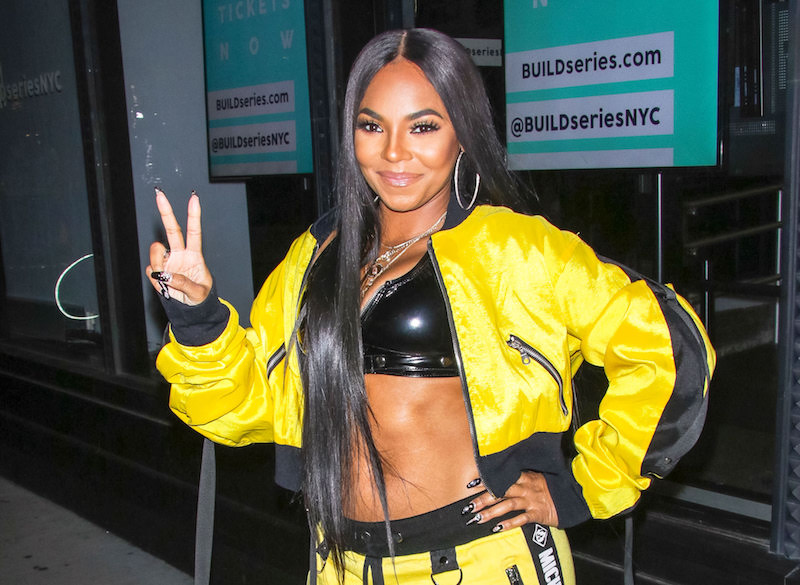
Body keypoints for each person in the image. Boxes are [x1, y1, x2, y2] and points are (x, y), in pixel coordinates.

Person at [147, 28, 714, 585]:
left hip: (481, 561)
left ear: (462, 132)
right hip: (342, 563)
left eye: (423, 126)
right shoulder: (318, 254)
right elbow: (250, 405)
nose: (395, 152)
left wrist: (582, 486)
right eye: (372, 126)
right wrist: (197, 316)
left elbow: (665, 348)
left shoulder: (513, 249)